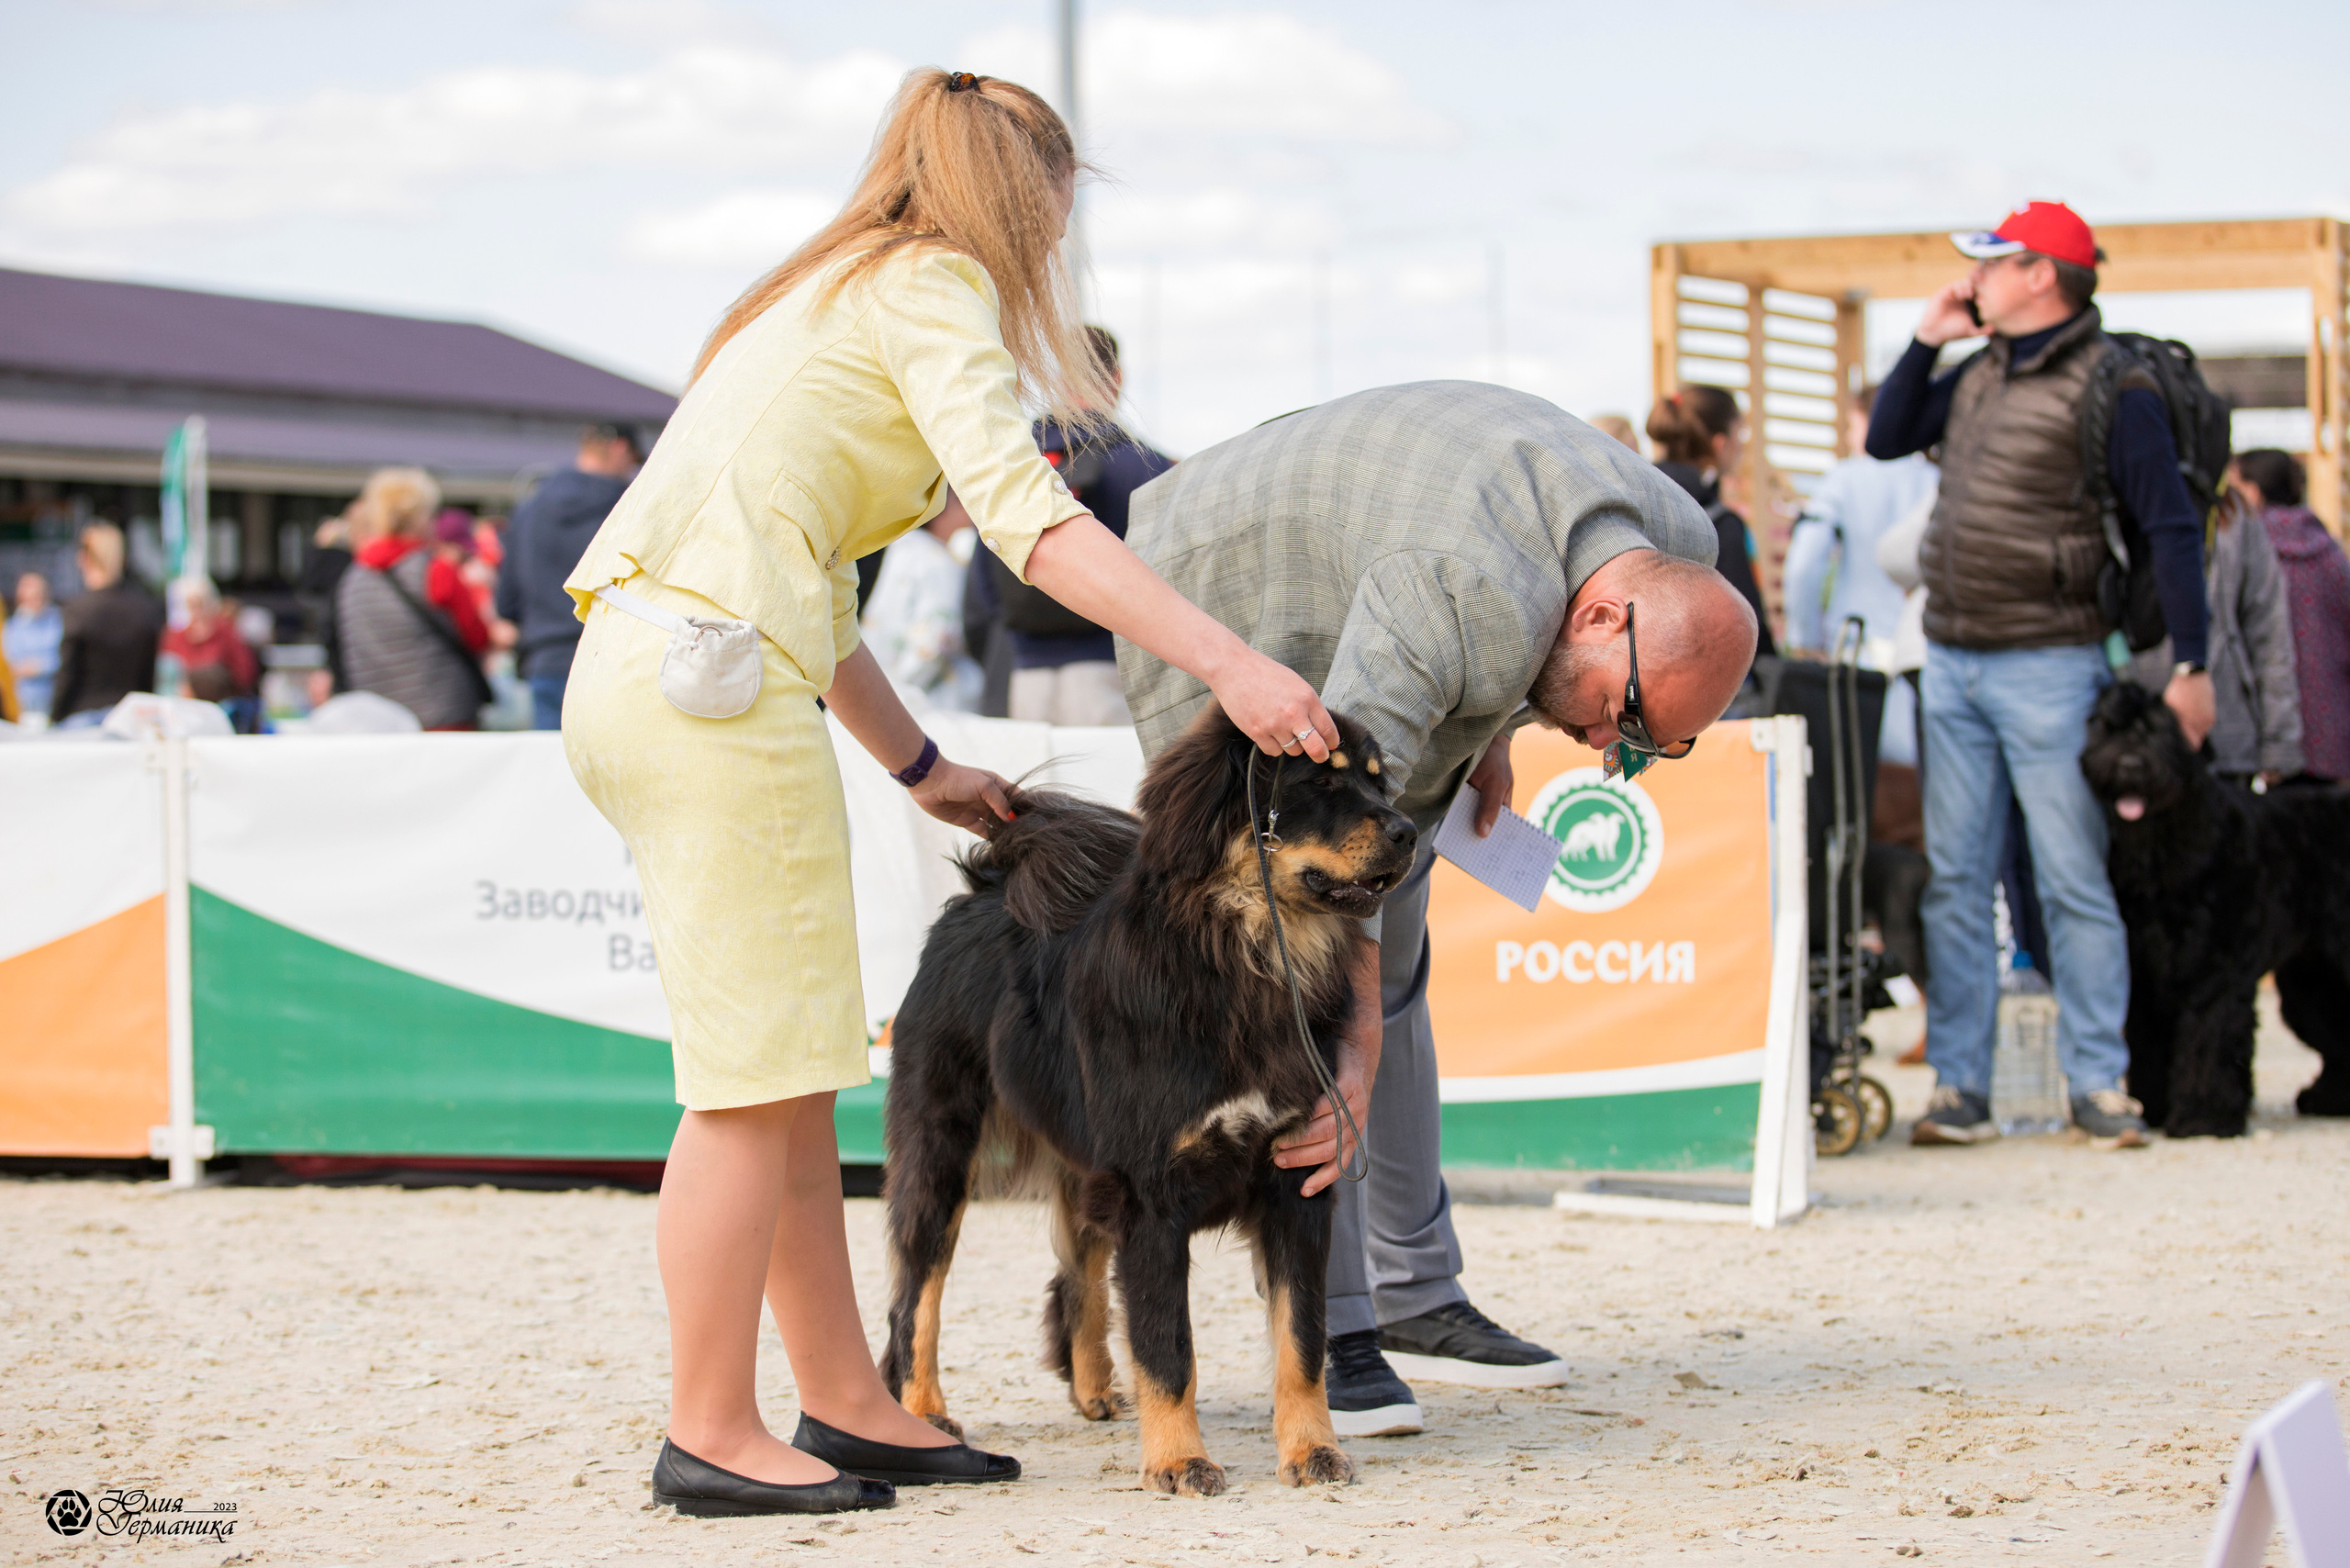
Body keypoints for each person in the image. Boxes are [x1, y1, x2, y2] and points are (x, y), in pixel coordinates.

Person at [557, 68, 1338, 1518]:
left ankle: (849, 1402)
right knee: (744, 1095)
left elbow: (820, 594)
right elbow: (1030, 522)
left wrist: (920, 767)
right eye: (1055, 205)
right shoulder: (930, 286)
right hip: (711, 697)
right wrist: (1232, 665)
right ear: (1018, 189)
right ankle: (711, 1429)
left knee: (786, 1080)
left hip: (668, 673)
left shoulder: (828, 288)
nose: (1056, 241)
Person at [1120, 382, 1758, 1438]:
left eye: (1652, 744)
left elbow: (1518, 645)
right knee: (1310, 983)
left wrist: (1496, 717)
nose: (1611, 748)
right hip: (1225, 573)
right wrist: (1355, 1023)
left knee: (1394, 977)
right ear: (1602, 615)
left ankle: (1418, 1295)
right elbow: (1351, 826)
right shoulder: (1459, 597)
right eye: (1625, 717)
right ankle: (1341, 1326)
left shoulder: (1675, 539)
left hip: (1392, 572)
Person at [1866, 201, 2214, 1151]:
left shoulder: (2117, 385)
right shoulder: (1976, 371)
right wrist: (1923, 339)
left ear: (2040, 276)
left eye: (1992, 261)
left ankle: (2099, 1084)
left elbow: (2173, 530)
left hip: (2054, 664)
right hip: (1953, 661)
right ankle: (1961, 1088)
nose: (1972, 276)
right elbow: (1887, 435)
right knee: (1954, 883)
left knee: (2071, 878)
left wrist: (2192, 663)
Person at [983, 325, 1173, 726]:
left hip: (1025, 673)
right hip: (1110, 669)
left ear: (1057, 376)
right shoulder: (1146, 466)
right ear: (1116, 378)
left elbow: (982, 581)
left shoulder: (1013, 459)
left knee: (1039, 787)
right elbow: (1172, 571)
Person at [2128, 465, 2303, 786]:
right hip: (2132, 741)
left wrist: (2279, 743)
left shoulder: (2235, 513)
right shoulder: (2122, 496)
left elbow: (2270, 636)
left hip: (2226, 733)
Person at [497, 425, 642, 729]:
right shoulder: (628, 509)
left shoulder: (529, 509)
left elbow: (506, 602)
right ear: (620, 449)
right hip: (613, 658)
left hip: (547, 659)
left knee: (551, 768)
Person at [330, 466, 492, 731]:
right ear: (421, 516)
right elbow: (477, 636)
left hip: (379, 719)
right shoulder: (435, 569)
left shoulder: (353, 577)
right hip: (443, 711)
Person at [2237, 449, 2350, 783]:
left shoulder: (2245, 553)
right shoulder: (2329, 552)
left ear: (2252, 491)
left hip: (2265, 733)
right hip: (2332, 729)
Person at [1645, 386, 1778, 659]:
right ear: (1720, 444)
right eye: (1739, 434)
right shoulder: (1720, 523)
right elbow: (1747, 626)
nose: (1742, 445)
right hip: (1696, 680)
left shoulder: (1634, 495)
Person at [860, 488, 984, 709]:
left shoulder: (898, 549)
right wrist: (901, 694)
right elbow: (936, 637)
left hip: (877, 684)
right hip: (927, 701)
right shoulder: (939, 561)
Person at [50, 523, 163, 727]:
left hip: (82, 716)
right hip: (130, 717)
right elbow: (148, 675)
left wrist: (54, 716)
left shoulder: (78, 609)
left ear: (85, 558)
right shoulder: (145, 609)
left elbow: (68, 673)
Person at [160, 578, 261, 700]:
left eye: (199, 604)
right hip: (183, 704)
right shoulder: (175, 636)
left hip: (220, 704)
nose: (196, 610)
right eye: (190, 605)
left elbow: (245, 674)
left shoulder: (225, 632)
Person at [6, 571, 63, 722]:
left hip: (53, 699)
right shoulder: (14, 626)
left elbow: (63, 657)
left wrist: (40, 667)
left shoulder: (57, 621)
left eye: (38, 597)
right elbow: (12, 662)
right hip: (25, 701)